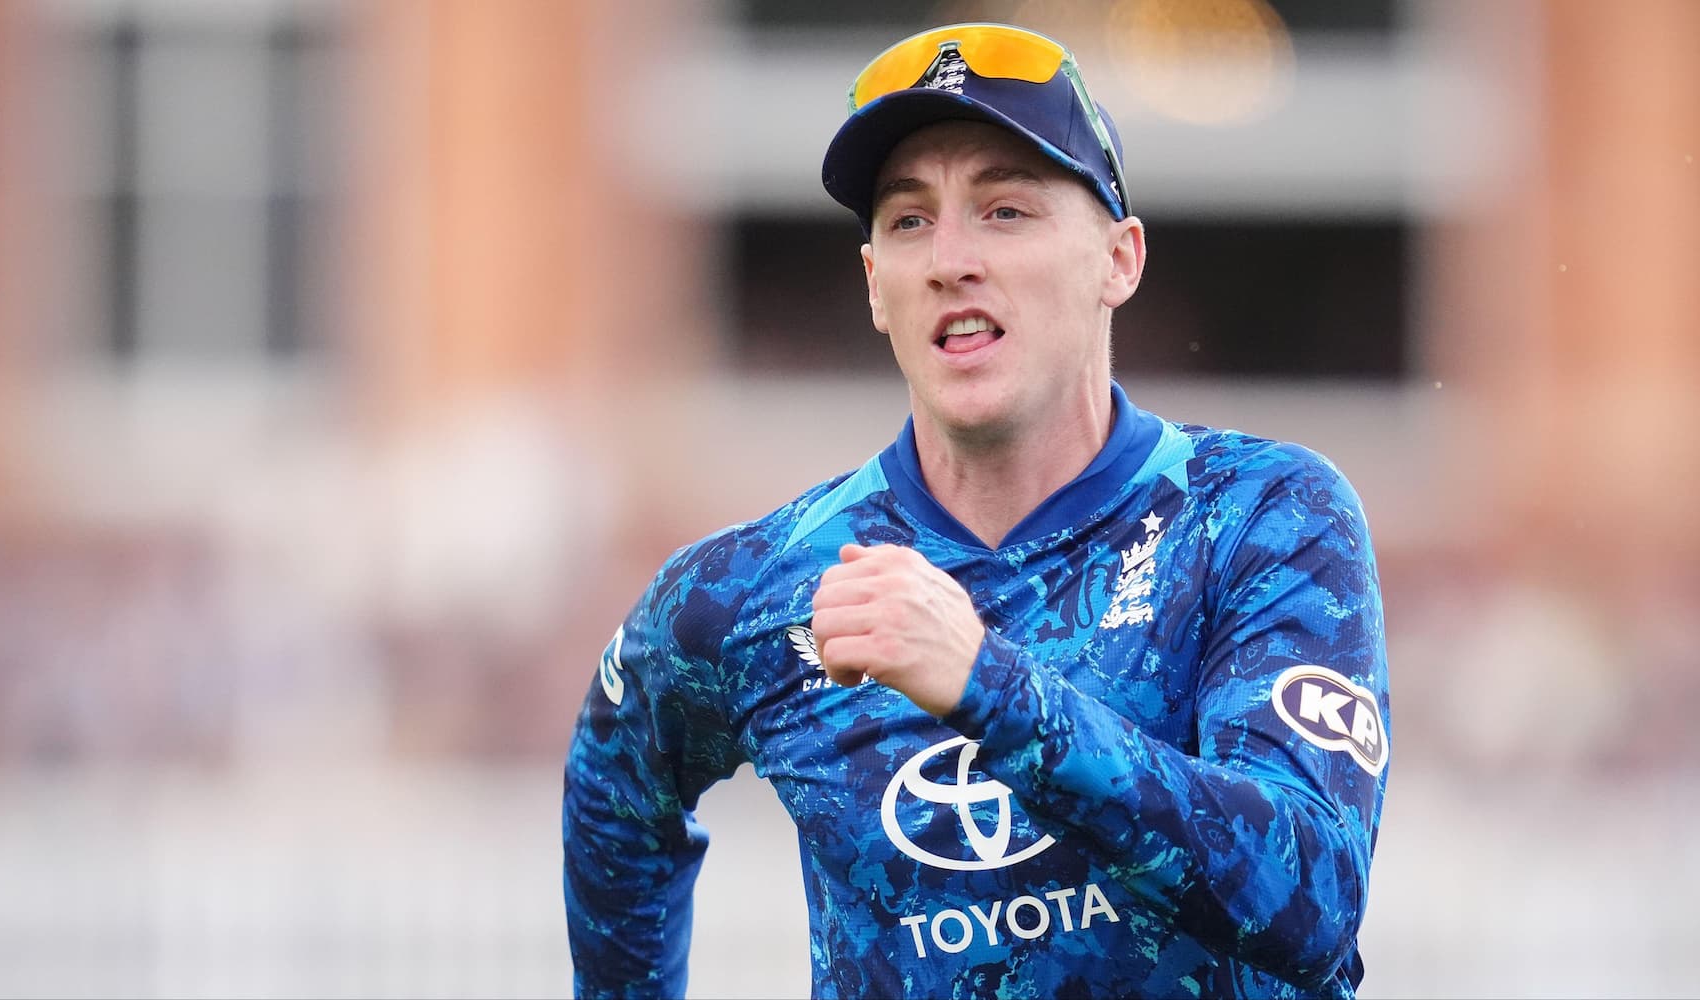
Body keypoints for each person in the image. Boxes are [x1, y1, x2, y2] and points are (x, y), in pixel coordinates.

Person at [563, 21, 1389, 999]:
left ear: (1117, 261)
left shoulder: (1255, 517)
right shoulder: (754, 585)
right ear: (876, 285)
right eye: (908, 221)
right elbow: (614, 790)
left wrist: (987, 687)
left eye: (1003, 211)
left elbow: (1309, 896)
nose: (949, 257)